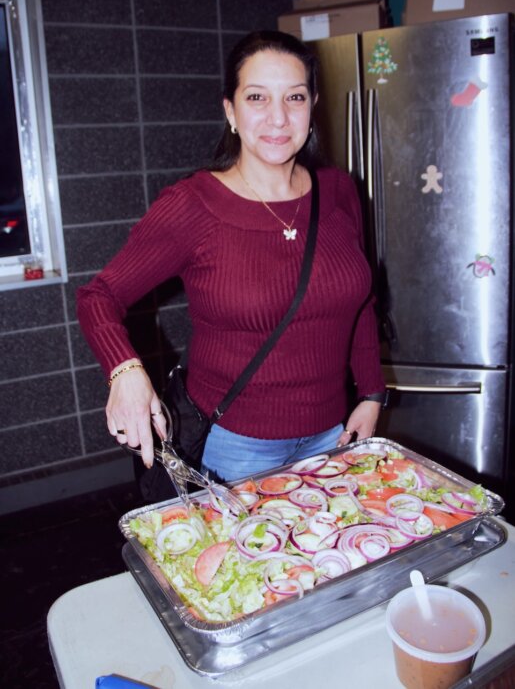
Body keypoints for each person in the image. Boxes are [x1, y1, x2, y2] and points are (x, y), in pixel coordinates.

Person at [77, 30, 386, 493]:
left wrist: (372, 393)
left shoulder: (339, 191)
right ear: (231, 111)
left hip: (331, 433)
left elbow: (360, 302)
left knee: (321, 562)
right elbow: (98, 296)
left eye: (295, 97)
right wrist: (126, 372)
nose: (278, 117)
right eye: (257, 97)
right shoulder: (193, 205)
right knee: (247, 562)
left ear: (312, 105)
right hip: (233, 446)